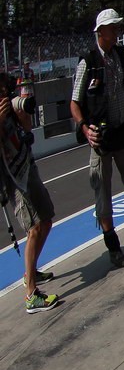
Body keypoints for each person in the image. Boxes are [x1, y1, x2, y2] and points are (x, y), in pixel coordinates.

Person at [70, 8, 124, 269]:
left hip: (123, 133)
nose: (117, 31)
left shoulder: (121, 56)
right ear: (100, 31)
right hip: (100, 140)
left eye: (117, 26)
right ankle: (113, 247)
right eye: (113, 27)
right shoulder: (87, 61)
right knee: (104, 195)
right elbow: (74, 103)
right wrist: (85, 128)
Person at [0, 72, 59, 313]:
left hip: (27, 167)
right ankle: (31, 295)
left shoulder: (11, 107)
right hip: (12, 179)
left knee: (46, 221)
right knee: (34, 228)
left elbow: (28, 137)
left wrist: (23, 120)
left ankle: (31, 271)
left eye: (6, 91)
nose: (5, 96)